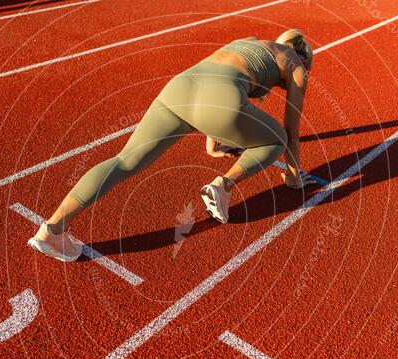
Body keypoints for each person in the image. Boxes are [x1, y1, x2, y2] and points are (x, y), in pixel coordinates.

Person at [28, 28, 315, 262]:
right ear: (304, 59)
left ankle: (52, 228)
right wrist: (292, 177)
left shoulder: (250, 42)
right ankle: (224, 185)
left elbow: (216, 78)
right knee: (275, 139)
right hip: (219, 103)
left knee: (125, 160)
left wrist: (213, 137)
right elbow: (290, 132)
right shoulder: (297, 69)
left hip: (180, 88)